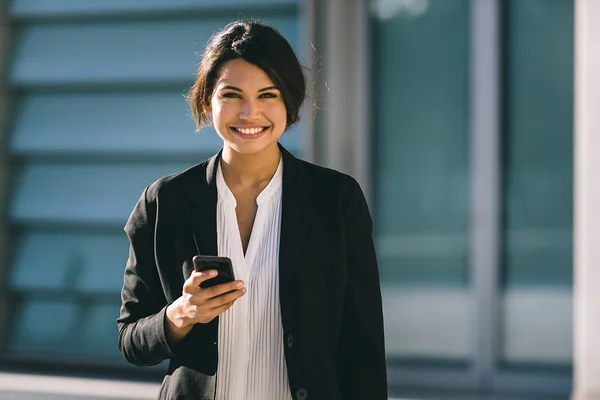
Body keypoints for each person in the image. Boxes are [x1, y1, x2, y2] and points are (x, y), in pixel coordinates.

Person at [117, 20, 387, 400]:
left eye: (267, 95)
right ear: (207, 99)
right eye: (232, 95)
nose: (249, 113)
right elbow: (131, 341)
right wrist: (181, 313)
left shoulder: (336, 200)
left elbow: (364, 347)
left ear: (288, 101)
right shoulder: (164, 202)